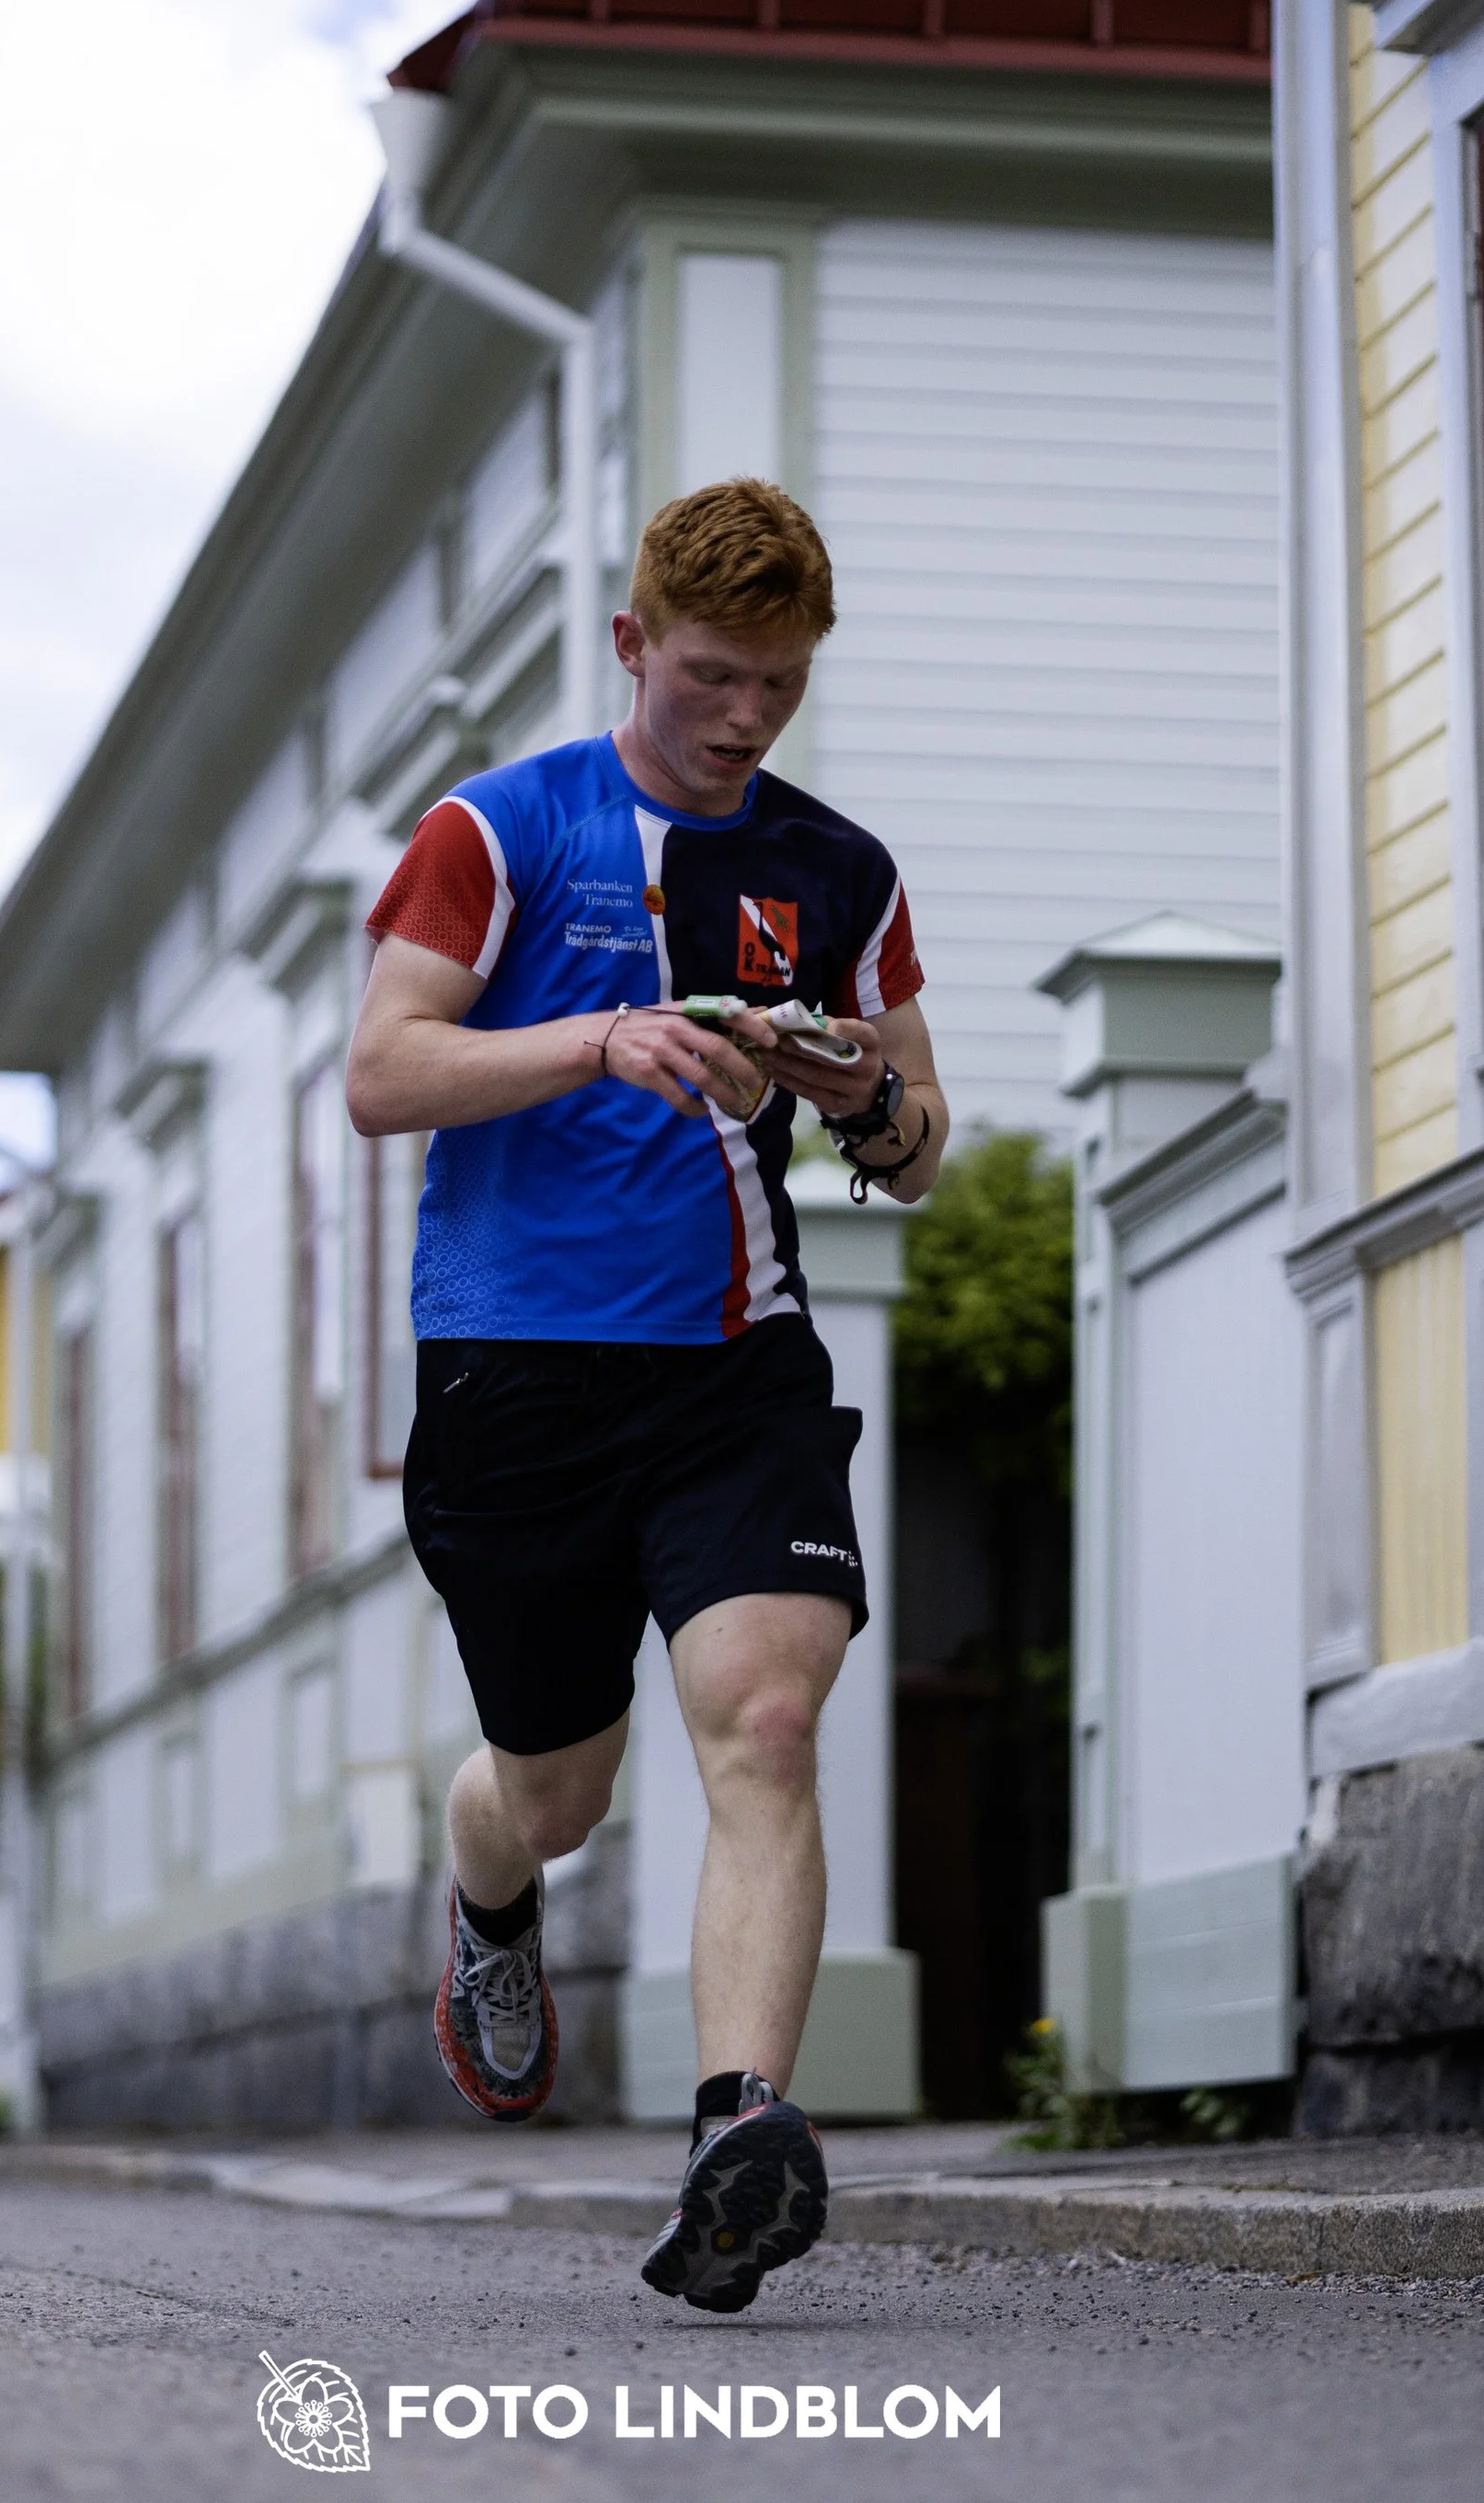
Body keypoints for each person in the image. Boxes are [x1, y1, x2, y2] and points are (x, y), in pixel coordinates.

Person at [344, 477, 949, 2313]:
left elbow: (918, 1144)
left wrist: (850, 1094)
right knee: (556, 1786)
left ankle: (739, 2133)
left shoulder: (836, 871)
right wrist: (602, 1039)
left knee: (764, 1717)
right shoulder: (495, 828)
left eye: (776, 682)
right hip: (513, 1370)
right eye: (708, 676)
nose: (744, 715)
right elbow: (380, 1071)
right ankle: (490, 1891)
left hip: (731, 1365)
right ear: (631, 646)